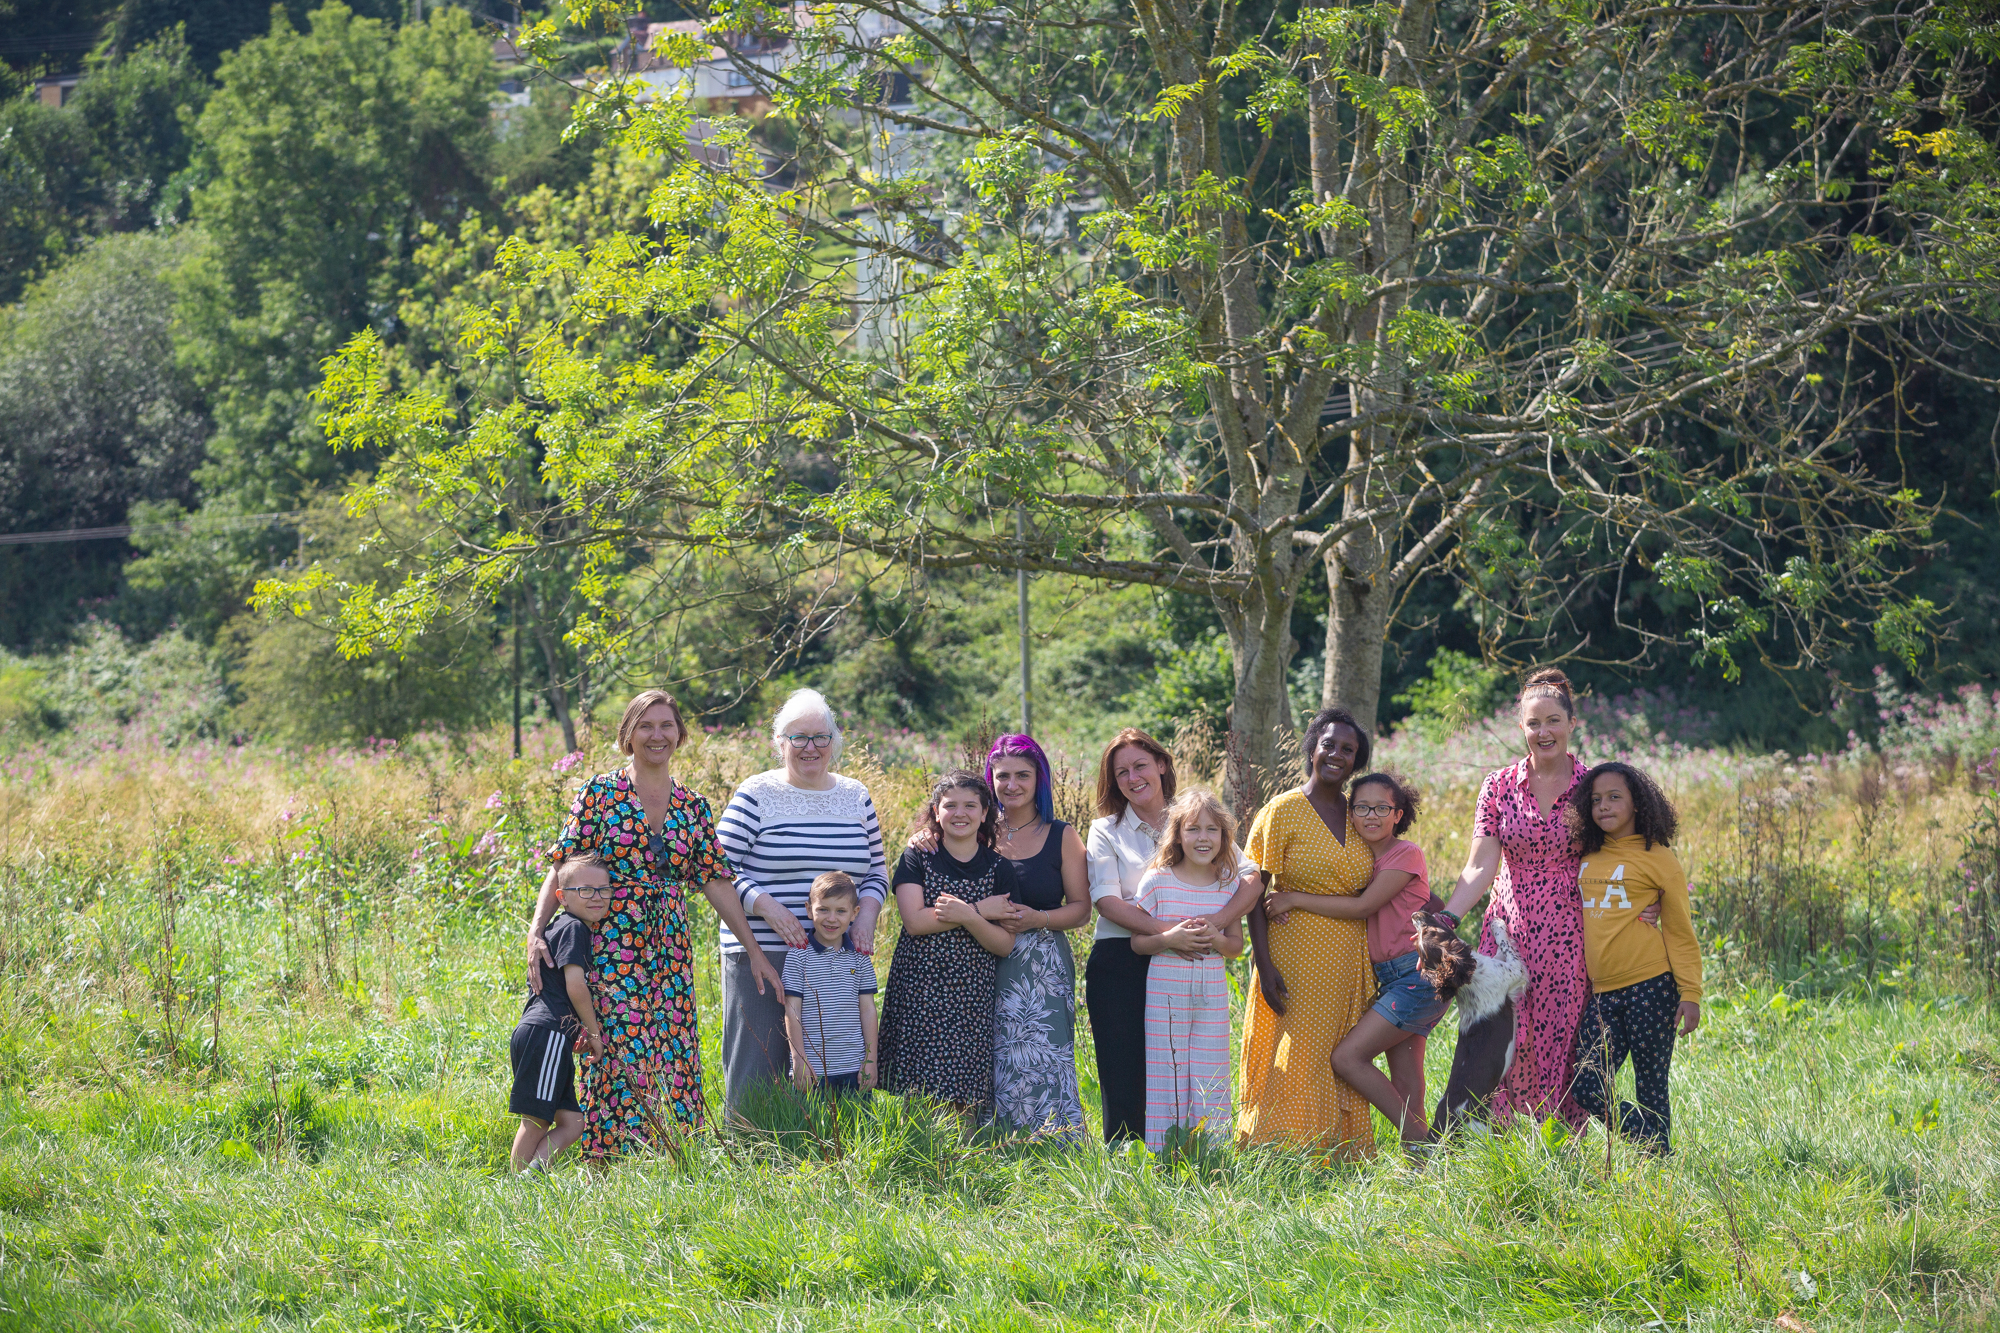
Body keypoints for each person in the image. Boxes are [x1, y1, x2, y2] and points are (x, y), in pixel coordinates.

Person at [529, 689, 778, 1154]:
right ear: (628, 734)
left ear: (679, 734)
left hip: (671, 948)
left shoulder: (692, 805)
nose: (656, 735)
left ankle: (673, 1151)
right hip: (610, 941)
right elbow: (561, 864)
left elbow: (716, 880)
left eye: (666, 725)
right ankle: (607, 1157)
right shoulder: (600, 793)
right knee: (617, 1046)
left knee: (674, 1044)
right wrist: (536, 930)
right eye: (645, 726)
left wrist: (756, 951)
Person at [1432, 667, 1595, 1127]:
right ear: (1521, 726)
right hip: (1508, 932)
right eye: (1533, 723)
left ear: (1571, 723)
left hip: (1571, 933)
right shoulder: (1498, 785)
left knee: (1564, 1035)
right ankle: (1500, 1145)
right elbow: (1480, 865)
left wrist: (1646, 901)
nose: (1544, 732)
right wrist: (1446, 919)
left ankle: (1559, 1145)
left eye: (1553, 721)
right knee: (1501, 1038)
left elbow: (1619, 857)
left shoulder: (1594, 786)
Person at [716, 688, 890, 1116]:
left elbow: (876, 873)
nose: (810, 747)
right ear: (780, 743)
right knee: (758, 1067)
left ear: (834, 741)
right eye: (798, 737)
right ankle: (749, 1148)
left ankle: (823, 1148)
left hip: (837, 957)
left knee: (832, 1067)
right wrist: (766, 905)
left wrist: (866, 916)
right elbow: (716, 868)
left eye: (820, 736)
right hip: (763, 950)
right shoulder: (757, 793)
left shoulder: (856, 795)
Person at [1265, 772, 1442, 1151]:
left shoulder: (1405, 854)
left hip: (1416, 976)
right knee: (1407, 1079)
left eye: (1381, 808)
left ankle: (1422, 1141)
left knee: (1348, 1058)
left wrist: (1293, 898)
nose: (1371, 816)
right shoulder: (1361, 861)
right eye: (1361, 808)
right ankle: (1423, 1165)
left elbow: (1363, 907)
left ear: (1398, 814)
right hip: (1392, 978)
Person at [1236, 706, 1377, 1156]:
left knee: (1338, 1055)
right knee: (1296, 1053)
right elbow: (1253, 892)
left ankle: (1340, 1151)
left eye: (1348, 750)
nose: (1337, 754)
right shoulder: (1282, 811)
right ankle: (1284, 1151)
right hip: (1293, 957)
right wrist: (1263, 963)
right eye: (1328, 744)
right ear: (1312, 748)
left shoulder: (1361, 815)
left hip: (1349, 961)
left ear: (1357, 761)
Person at [1568, 761, 1703, 1154]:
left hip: (1652, 986)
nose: (1604, 806)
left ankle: (1657, 1168)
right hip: (1602, 992)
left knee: (1651, 1085)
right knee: (1587, 1084)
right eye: (1596, 800)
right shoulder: (1588, 855)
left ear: (1638, 804)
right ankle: (1653, 1143)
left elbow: (1679, 931)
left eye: (1615, 797)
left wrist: (1690, 993)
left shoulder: (1659, 858)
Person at [877, 770, 1020, 1116]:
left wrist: (968, 916)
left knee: (963, 1091)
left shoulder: (1000, 868)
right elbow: (914, 922)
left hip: (971, 993)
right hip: (920, 987)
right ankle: (917, 1146)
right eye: (950, 805)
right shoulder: (918, 857)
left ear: (984, 813)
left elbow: (1004, 945)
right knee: (918, 1088)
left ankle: (963, 1150)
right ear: (936, 812)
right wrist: (978, 910)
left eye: (970, 805)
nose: (960, 813)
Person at [978, 734, 1090, 1138]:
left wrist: (1038, 918)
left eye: (1022, 775)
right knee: (990, 1052)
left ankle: (1052, 1140)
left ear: (1039, 778)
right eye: (1002, 776)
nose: (1011, 785)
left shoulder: (1062, 835)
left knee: (1045, 1055)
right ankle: (993, 1141)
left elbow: (1081, 909)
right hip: (981, 958)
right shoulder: (976, 829)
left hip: (1042, 967)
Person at [1132, 790, 1245, 1152]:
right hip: (1165, 994)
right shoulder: (1157, 881)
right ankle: (1163, 1152)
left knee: (1211, 1070)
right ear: (1178, 834)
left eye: (1212, 830)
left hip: (1211, 995)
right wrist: (1169, 938)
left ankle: (1212, 1152)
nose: (1203, 838)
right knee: (1167, 1069)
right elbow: (1137, 943)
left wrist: (1216, 936)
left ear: (1224, 836)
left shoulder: (1228, 884)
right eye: (1193, 829)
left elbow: (1236, 947)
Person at [510, 854, 612, 1172]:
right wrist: (593, 1033)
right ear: (562, 897)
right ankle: (514, 1188)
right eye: (585, 890)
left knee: (572, 1123)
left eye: (604, 890)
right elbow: (575, 986)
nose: (596, 897)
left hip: (549, 1035)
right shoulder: (574, 928)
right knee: (537, 1121)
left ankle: (528, 1180)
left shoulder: (562, 927)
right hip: (547, 1032)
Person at [782, 872, 880, 1099]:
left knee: (857, 1121)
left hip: (854, 1068)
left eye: (841, 911)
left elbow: (868, 1010)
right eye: (823, 909)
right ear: (809, 910)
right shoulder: (798, 956)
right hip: (812, 1069)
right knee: (811, 1122)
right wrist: (799, 1059)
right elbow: (792, 1010)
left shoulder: (860, 957)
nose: (832, 918)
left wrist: (871, 1060)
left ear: (855, 913)